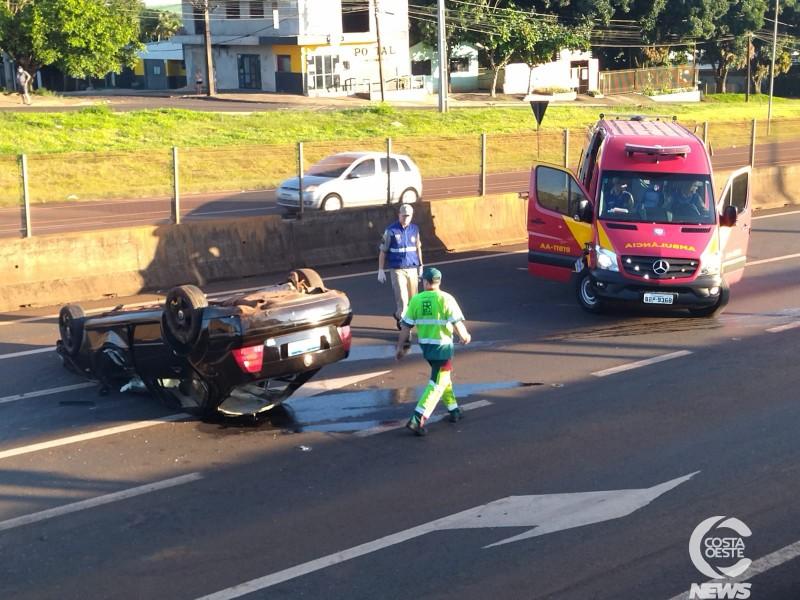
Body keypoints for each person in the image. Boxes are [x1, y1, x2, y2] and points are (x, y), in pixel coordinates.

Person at [396, 267, 471, 436]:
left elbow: (405, 326)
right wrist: (465, 336)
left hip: (427, 348)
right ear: (439, 282)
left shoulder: (416, 300)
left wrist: (400, 347)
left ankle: (454, 410)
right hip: (443, 348)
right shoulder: (446, 299)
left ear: (426, 282)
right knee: (437, 384)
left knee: (443, 379)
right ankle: (417, 419)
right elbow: (457, 323)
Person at [377, 203, 423, 330]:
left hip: (412, 268)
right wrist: (381, 270)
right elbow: (383, 251)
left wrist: (421, 265)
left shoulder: (415, 229)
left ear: (412, 216)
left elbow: (418, 248)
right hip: (397, 269)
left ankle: (399, 315)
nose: (406, 218)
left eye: (408, 216)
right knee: (402, 298)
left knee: (414, 298)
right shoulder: (391, 231)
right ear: (399, 215)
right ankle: (403, 322)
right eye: (403, 216)